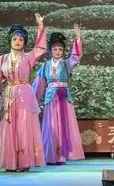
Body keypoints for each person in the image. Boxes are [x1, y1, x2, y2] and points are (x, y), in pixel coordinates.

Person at [0, 13, 47, 171]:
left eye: (21, 39)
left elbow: (40, 48)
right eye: (14, 39)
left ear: (24, 42)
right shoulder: (2, 59)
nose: (17, 41)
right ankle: (10, 163)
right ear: (10, 41)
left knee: (24, 127)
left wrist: (40, 26)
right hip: (9, 95)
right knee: (9, 127)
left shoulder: (29, 57)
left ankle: (25, 162)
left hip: (25, 94)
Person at [33, 24, 85, 165]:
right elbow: (38, 84)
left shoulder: (67, 64)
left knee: (64, 126)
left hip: (64, 98)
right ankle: (51, 155)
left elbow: (76, 57)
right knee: (51, 126)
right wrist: (32, 100)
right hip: (51, 99)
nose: (57, 51)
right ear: (50, 51)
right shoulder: (45, 66)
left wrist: (78, 37)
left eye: (60, 49)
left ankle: (62, 156)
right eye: (55, 49)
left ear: (63, 51)